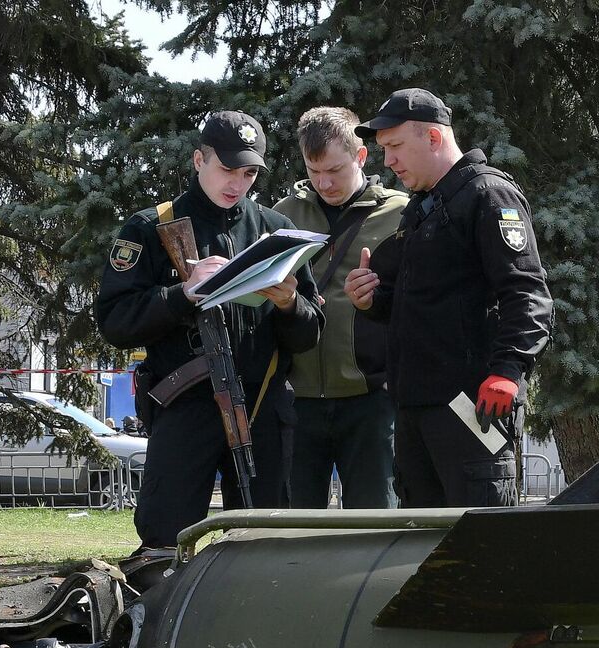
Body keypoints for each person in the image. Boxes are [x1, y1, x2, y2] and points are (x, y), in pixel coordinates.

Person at [96, 110, 322, 549]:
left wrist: (290, 304)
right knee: (164, 542)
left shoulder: (278, 232)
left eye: (250, 172)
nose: (237, 183)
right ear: (199, 159)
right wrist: (183, 294)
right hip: (186, 408)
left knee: (265, 544)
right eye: (227, 169)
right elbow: (116, 321)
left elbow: (309, 334)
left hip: (262, 410)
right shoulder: (151, 228)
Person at [345, 89, 552, 508]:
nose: (389, 162)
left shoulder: (488, 195)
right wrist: (371, 299)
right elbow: (423, 304)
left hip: (471, 406)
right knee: (421, 549)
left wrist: (509, 370)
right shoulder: (421, 207)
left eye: (396, 147)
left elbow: (527, 292)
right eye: (384, 150)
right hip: (415, 408)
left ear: (434, 138)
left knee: (481, 545)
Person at [272, 106, 408, 509]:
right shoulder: (282, 216)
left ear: (361, 156)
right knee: (292, 528)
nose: (324, 183)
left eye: (335, 170)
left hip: (372, 401)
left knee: (374, 524)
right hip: (298, 402)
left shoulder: (402, 214)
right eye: (314, 172)